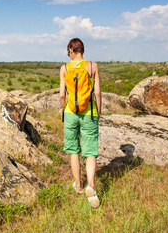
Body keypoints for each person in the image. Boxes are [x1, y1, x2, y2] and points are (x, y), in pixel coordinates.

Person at [59, 38, 102, 208]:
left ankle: (78, 185)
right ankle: (90, 185)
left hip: (70, 113)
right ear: (82, 50)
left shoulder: (64, 68)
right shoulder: (92, 66)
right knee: (90, 150)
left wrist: (64, 110)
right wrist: (98, 112)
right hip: (89, 113)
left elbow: (62, 95)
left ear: (71, 50)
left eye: (68, 51)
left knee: (73, 150)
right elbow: (97, 93)